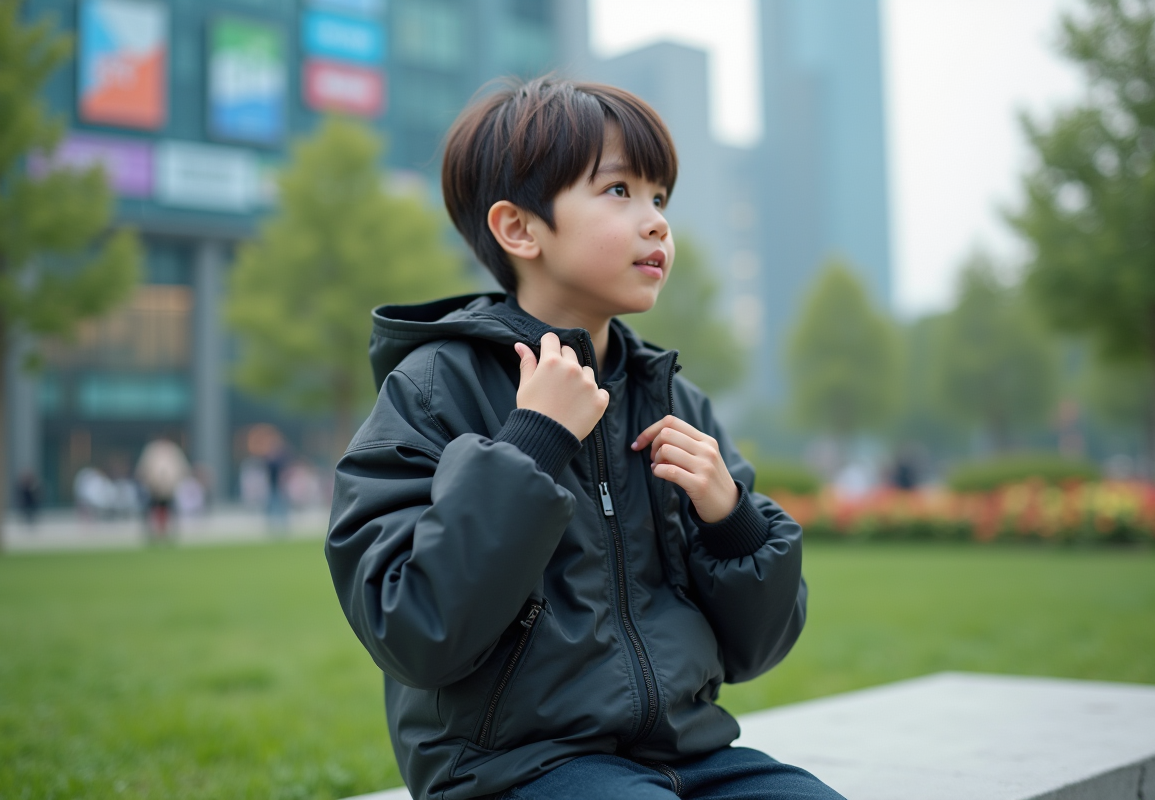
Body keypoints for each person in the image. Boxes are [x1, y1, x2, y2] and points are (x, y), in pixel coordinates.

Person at [326, 78, 840, 800]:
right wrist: (533, 443)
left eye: (660, 198)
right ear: (520, 229)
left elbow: (758, 647)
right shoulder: (435, 389)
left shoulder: (673, 400)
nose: (656, 222)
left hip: (687, 753)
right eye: (619, 191)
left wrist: (733, 521)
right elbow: (413, 627)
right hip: (509, 768)